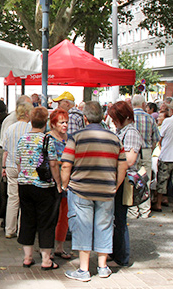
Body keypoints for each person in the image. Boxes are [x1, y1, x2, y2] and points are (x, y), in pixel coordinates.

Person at [61, 101, 128, 282]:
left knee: (82, 226)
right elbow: (123, 165)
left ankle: (83, 270)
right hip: (106, 189)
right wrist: (116, 185)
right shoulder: (115, 138)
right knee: (104, 225)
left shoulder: (76, 137)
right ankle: (103, 266)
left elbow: (66, 164)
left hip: (81, 188)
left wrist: (65, 185)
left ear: (85, 118)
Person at [15, 107, 61, 271]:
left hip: (24, 185)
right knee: (45, 222)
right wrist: (58, 183)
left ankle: (27, 257)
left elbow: (19, 162)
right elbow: (53, 164)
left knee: (27, 219)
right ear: (45, 122)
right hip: (43, 186)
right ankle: (46, 259)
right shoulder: (47, 140)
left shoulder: (22, 139)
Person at [107, 101, 143, 267]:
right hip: (118, 177)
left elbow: (130, 160)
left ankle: (122, 256)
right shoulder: (123, 131)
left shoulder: (131, 133)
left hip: (124, 180)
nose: (113, 122)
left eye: (116, 118)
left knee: (120, 219)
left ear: (124, 117)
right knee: (116, 219)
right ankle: (116, 252)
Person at [1, 102, 33, 238]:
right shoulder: (30, 128)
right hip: (25, 167)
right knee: (25, 200)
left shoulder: (10, 128)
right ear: (27, 113)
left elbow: (5, 150)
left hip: (11, 165)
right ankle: (22, 230)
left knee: (12, 199)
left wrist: (3, 167)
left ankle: (9, 229)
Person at [130, 95, 161, 219]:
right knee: (145, 179)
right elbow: (156, 139)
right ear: (143, 105)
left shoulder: (129, 118)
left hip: (132, 151)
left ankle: (132, 210)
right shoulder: (150, 118)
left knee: (132, 179)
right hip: (146, 150)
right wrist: (150, 149)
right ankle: (145, 210)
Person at [48, 108, 72, 260]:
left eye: (66, 122)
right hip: (51, 183)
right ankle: (47, 248)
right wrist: (62, 162)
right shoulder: (48, 138)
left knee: (64, 217)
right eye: (61, 122)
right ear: (53, 124)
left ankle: (60, 247)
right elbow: (48, 161)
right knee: (51, 217)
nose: (65, 125)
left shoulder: (69, 139)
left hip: (67, 183)